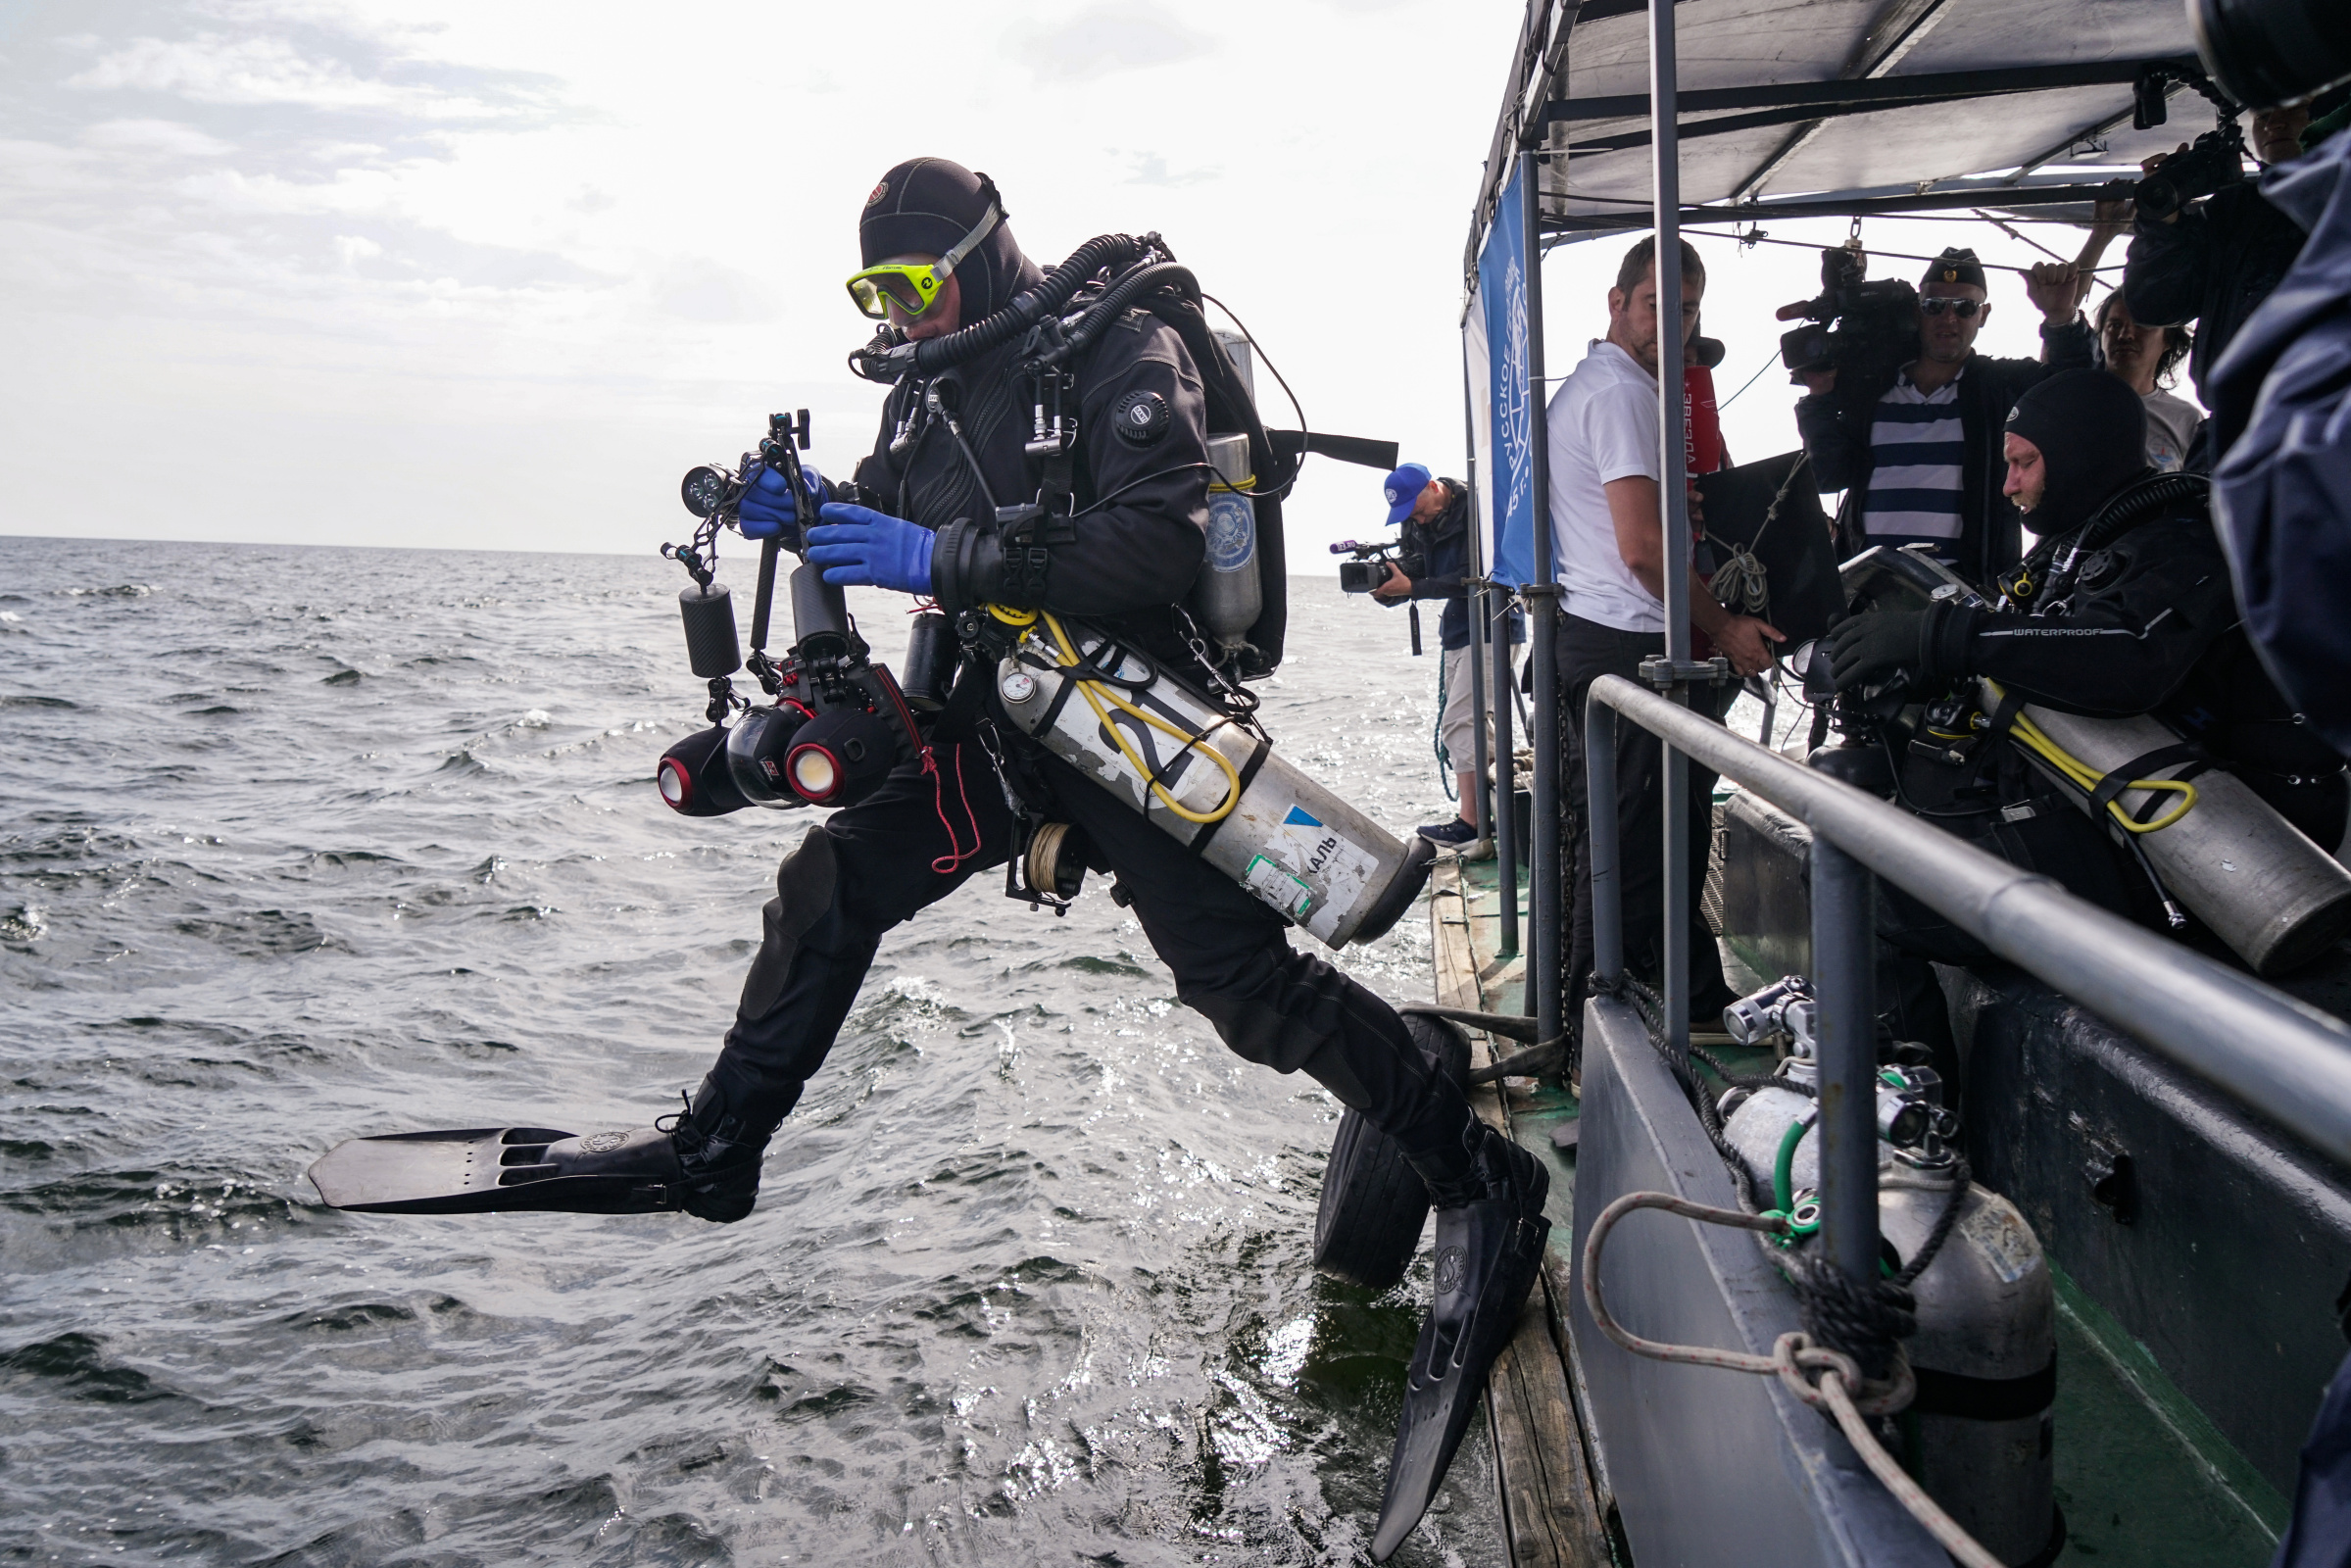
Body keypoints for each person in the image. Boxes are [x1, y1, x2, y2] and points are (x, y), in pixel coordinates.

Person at [685, 158, 1543, 1559]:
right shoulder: (934, 388)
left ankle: (1475, 1176)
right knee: (831, 880)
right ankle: (717, 1143)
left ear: (979, 255)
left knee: (1245, 992)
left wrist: (932, 555)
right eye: (869, 296)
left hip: (1127, 715)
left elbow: (1148, 542)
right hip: (995, 720)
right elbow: (902, 514)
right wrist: (813, 510)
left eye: (909, 285)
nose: (893, 316)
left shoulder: (1113, 347)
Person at [1829, 368, 2347, 918]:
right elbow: (2027, 632)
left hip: (2222, 830)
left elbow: (2124, 654)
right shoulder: (2076, 542)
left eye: (2024, 463)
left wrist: (1943, 635)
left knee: (1868, 898)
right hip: (2120, 797)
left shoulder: (2189, 540)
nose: (2009, 485)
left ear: (2079, 455)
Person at [1552, 235, 1784, 1029]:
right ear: (1617, 304)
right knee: (1625, 850)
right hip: (1628, 642)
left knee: (1665, 829)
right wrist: (1722, 627)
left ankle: (1687, 993)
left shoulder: (1600, 385)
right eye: (1657, 306)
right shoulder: (1620, 393)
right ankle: (1592, 1029)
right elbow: (1642, 551)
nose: (1673, 325)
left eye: (1686, 310)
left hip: (1609, 632)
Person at [1793, 248, 2096, 586]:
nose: (1948, 318)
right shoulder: (1871, 390)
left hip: (1965, 598)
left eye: (1964, 307)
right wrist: (1819, 399)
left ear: (1983, 315)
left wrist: (2061, 317)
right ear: (1916, 312)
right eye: (1934, 306)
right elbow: (1828, 475)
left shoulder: (2002, 387)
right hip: (1868, 589)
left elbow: (2080, 391)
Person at [2123, 104, 2316, 416]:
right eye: (2263, 116)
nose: (2274, 124)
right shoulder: (2236, 208)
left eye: (2295, 109)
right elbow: (2155, 305)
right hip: (2238, 422)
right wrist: (2165, 223)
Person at [1369, 462, 1519, 847]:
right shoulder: (1416, 522)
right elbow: (1416, 571)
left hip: (1493, 626)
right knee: (1475, 727)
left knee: (1459, 722)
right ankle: (1496, 816)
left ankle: (1471, 825)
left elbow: (1479, 577)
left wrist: (1414, 587)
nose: (1415, 519)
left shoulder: (1478, 510)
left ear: (1434, 486)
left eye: (1417, 509)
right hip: (1456, 631)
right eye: (1406, 515)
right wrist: (1391, 588)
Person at [2093, 291, 2203, 471]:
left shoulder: (2186, 419)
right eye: (2115, 325)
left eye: (2141, 325)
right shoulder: (2078, 400)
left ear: (2167, 340)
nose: (2125, 335)